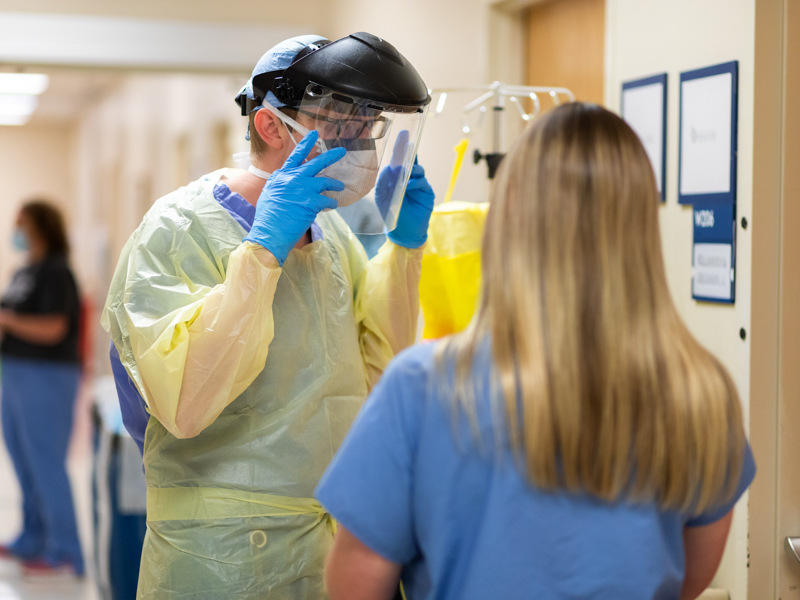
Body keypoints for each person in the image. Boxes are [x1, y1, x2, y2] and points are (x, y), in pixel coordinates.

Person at [316, 103, 756, 600]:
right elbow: (688, 578)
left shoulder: (424, 385)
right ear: (639, 227)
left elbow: (357, 581)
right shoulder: (700, 394)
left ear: (506, 220)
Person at [101, 32, 434, 599]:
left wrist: (404, 250)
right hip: (221, 555)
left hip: (328, 543)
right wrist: (260, 255)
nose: (359, 145)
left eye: (368, 126)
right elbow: (187, 399)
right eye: (340, 123)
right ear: (272, 126)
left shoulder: (329, 237)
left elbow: (379, 374)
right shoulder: (178, 229)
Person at [0, 200, 84, 577]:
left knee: (45, 462)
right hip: (15, 374)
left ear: (40, 227)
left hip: (47, 377)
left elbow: (54, 328)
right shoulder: (25, 271)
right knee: (22, 460)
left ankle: (65, 548)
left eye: (22, 224)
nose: (16, 231)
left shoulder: (57, 272)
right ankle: (33, 535)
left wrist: (8, 322)